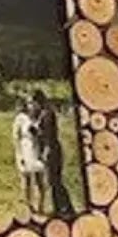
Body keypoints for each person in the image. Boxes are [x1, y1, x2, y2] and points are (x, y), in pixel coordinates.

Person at [32, 89, 75, 221]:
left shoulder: (47, 114)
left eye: (33, 103)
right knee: (52, 181)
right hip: (50, 150)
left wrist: (46, 151)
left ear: (38, 101)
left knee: (56, 181)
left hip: (52, 151)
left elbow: (50, 135)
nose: (32, 106)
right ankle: (58, 208)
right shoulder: (43, 114)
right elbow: (42, 133)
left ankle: (67, 208)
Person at [13, 100, 48, 214]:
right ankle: (28, 206)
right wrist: (20, 154)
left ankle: (41, 205)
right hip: (25, 148)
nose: (31, 106)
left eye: (33, 104)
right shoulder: (21, 118)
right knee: (27, 178)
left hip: (36, 148)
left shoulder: (38, 118)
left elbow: (42, 136)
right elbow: (15, 137)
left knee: (40, 178)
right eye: (29, 104)